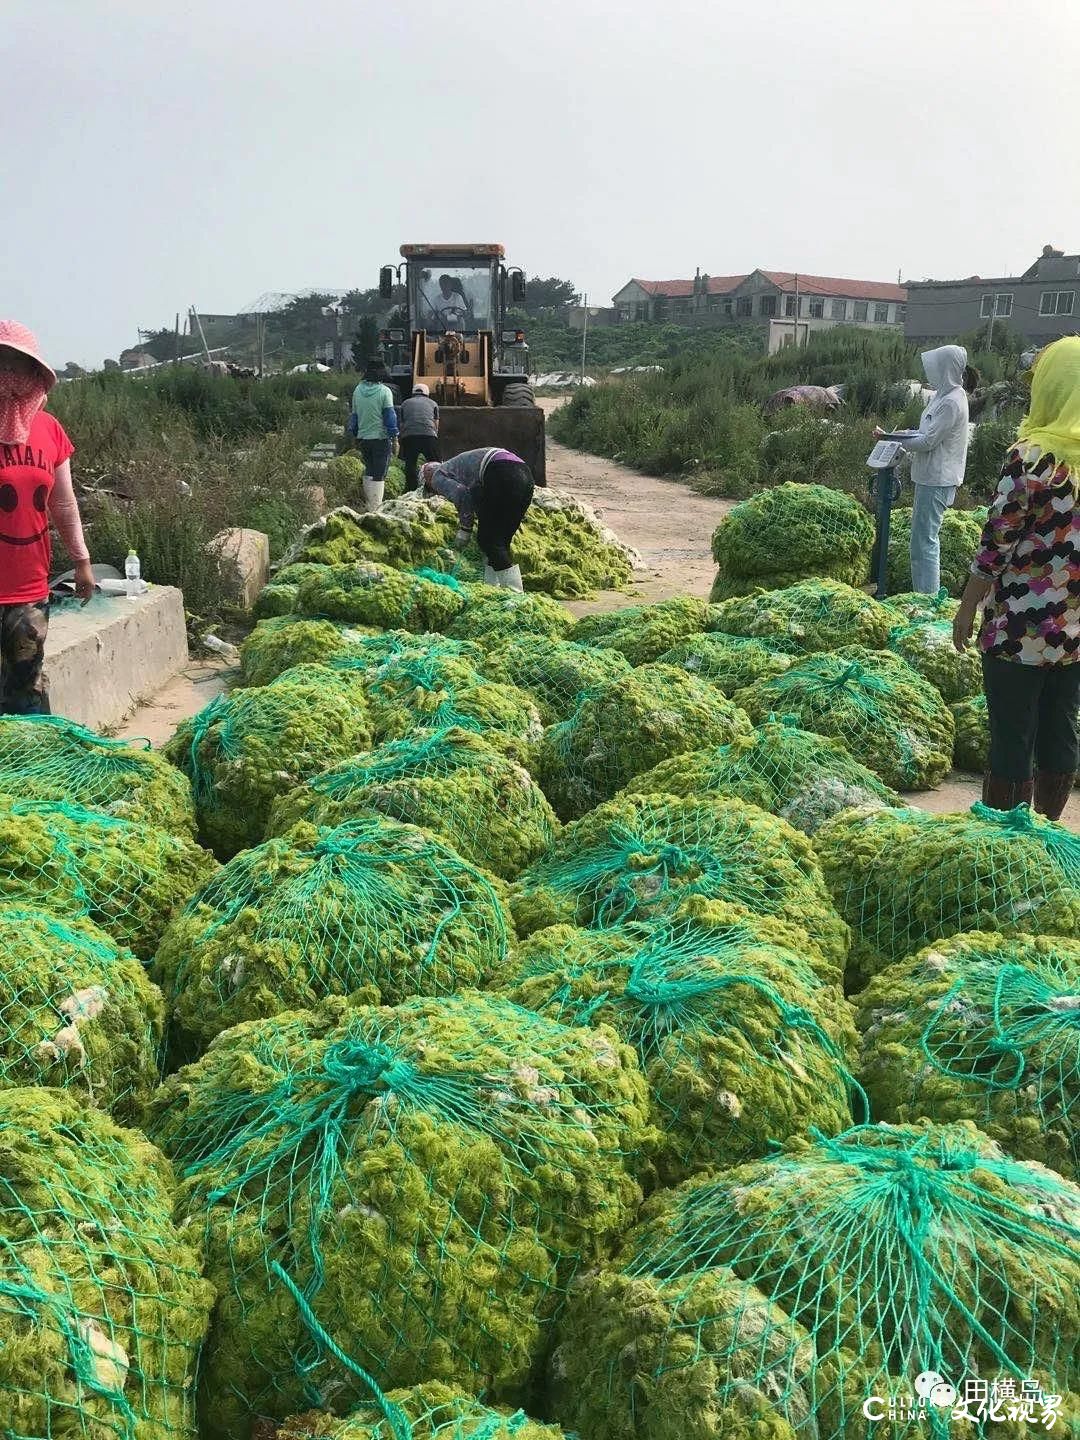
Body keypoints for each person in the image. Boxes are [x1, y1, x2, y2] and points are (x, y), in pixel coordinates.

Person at [952, 335, 1080, 819]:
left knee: (1012, 730)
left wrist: (967, 607)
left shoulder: (1030, 460)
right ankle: (1049, 829)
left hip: (1019, 629)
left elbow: (996, 545)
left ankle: (1009, 836)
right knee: (1060, 725)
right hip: (1074, 632)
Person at [0, 321, 95, 715]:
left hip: (27, 582)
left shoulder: (49, 429)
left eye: (16, 364)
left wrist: (82, 561)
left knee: (25, 684)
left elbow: (64, 504)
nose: (8, 374)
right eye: (0, 362)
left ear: (33, 373)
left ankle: (28, 766)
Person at [876, 344, 970, 593]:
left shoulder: (952, 402)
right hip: (928, 478)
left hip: (937, 480)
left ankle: (927, 600)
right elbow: (923, 432)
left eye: (937, 368)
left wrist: (893, 440)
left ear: (947, 369)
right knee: (920, 541)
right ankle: (924, 594)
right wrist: (895, 434)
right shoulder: (942, 397)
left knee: (924, 542)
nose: (932, 373)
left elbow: (928, 441)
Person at [421, 448, 534, 590]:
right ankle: (492, 588)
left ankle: (515, 595)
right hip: (524, 474)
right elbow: (478, 500)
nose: (438, 492)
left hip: (501, 471)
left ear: (427, 478)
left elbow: (462, 495)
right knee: (500, 541)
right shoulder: (457, 470)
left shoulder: (437, 476)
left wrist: (465, 530)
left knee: (487, 540)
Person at [349, 358, 399, 510]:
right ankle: (376, 507)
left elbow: (354, 416)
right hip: (380, 438)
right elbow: (390, 417)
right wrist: (395, 437)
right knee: (380, 473)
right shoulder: (385, 392)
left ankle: (369, 505)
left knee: (369, 469)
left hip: (364, 439)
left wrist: (355, 435)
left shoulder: (357, 390)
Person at [398, 384, 440, 491]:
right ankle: (435, 488)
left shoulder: (404, 404)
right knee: (435, 463)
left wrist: (402, 439)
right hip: (428, 436)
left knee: (410, 464)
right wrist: (434, 437)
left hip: (409, 436)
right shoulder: (433, 403)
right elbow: (436, 423)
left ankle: (411, 489)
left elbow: (402, 423)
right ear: (427, 393)